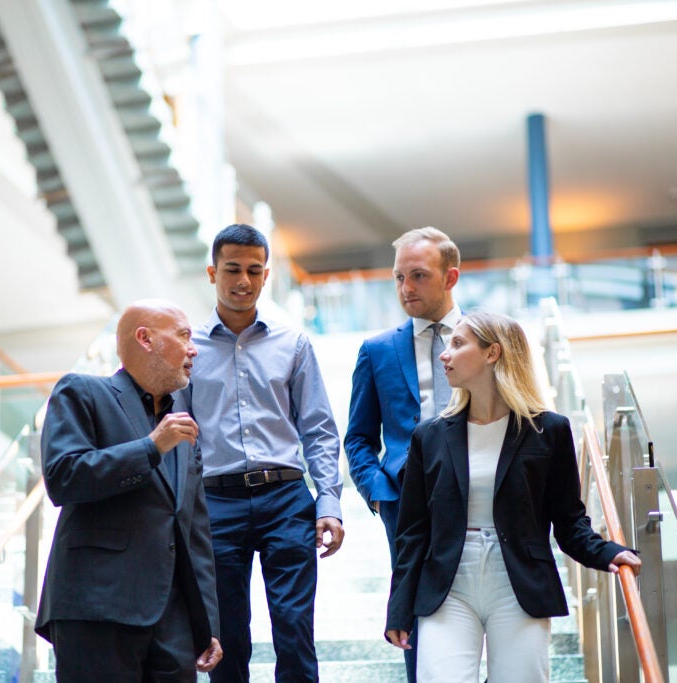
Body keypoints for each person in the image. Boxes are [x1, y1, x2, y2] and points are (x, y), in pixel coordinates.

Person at [385, 310, 642, 682]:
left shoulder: (548, 431)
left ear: (493, 353)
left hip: (518, 582)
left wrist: (606, 553)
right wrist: (399, 608)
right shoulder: (430, 436)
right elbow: (412, 533)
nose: (445, 354)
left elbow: (569, 521)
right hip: (448, 585)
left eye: (458, 344)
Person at [35, 299, 223, 682]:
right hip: (96, 608)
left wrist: (208, 623)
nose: (194, 348)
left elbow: (195, 533)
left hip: (173, 621)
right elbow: (63, 477)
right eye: (184, 335)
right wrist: (150, 447)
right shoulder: (82, 391)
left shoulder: (182, 431)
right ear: (146, 339)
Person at [187, 224, 344, 683]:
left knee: (295, 630)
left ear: (266, 274)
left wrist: (329, 502)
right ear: (212, 272)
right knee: (225, 637)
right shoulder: (189, 348)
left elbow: (318, 429)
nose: (243, 281)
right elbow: (177, 438)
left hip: (286, 498)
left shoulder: (292, 343)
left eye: (254, 271)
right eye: (232, 269)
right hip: (216, 503)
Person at [344, 226, 461, 681]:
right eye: (398, 278)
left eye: (418, 276)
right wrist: (378, 494)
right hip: (404, 499)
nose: (406, 289)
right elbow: (357, 437)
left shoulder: (490, 336)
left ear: (450, 277)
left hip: (479, 492)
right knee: (413, 610)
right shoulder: (376, 350)